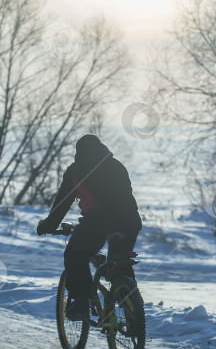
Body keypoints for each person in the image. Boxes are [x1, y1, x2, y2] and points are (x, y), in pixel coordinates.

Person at [36, 134, 142, 321]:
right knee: (119, 265)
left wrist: (48, 225)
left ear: (79, 152)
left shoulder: (76, 170)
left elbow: (62, 203)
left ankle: (81, 301)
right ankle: (132, 313)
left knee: (75, 254)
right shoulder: (117, 165)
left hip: (99, 222)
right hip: (130, 222)